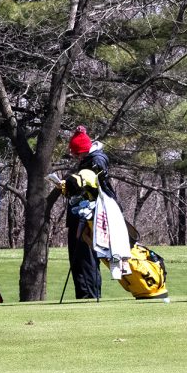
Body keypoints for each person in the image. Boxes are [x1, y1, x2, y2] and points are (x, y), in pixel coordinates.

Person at [64, 125, 117, 299]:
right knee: (78, 260)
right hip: (80, 216)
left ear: (83, 151)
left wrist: (77, 181)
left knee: (86, 260)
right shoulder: (88, 161)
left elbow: (92, 176)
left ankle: (89, 296)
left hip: (89, 218)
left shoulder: (96, 160)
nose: (74, 156)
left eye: (76, 153)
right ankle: (84, 295)